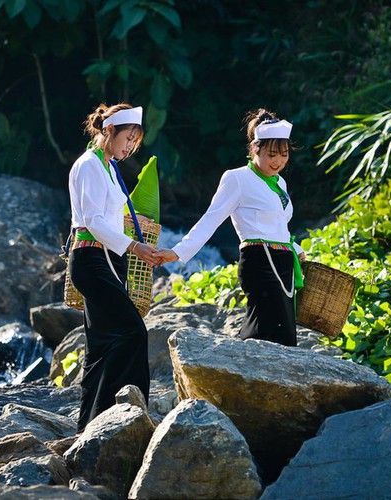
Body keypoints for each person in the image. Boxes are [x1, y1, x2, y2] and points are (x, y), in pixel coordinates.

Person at [155, 108, 305, 346]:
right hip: (259, 261)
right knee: (262, 329)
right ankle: (244, 375)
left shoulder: (281, 183)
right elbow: (211, 219)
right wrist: (177, 252)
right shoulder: (237, 178)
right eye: (272, 154)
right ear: (255, 148)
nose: (278, 161)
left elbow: (279, 226)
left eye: (284, 154)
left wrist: (295, 248)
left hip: (284, 262)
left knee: (284, 333)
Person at [68, 103, 158, 433]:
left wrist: (136, 224)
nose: (131, 146)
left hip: (109, 259)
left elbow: (106, 214)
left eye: (136, 141)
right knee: (133, 332)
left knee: (100, 347)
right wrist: (135, 245)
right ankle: (126, 415)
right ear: (109, 131)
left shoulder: (109, 167)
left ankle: (87, 426)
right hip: (92, 260)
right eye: (128, 138)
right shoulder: (89, 165)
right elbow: (91, 221)